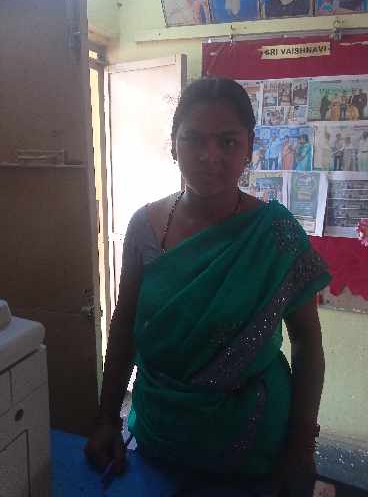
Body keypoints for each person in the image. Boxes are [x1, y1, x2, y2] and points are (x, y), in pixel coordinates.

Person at [85, 78, 330, 496]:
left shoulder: (276, 234)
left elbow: (307, 341)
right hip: (158, 431)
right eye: (193, 139)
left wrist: (302, 445)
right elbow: (124, 326)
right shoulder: (145, 227)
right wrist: (107, 418)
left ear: (249, 148)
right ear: (173, 144)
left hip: (251, 439)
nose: (209, 155)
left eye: (228, 141)